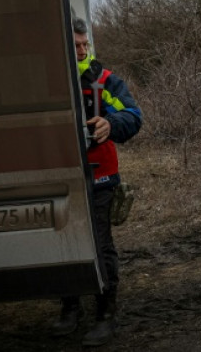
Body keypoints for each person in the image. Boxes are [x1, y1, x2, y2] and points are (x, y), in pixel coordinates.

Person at [52, 18, 142, 346]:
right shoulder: (47, 81)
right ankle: (70, 307)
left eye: (84, 44)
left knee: (101, 244)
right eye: (74, 45)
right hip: (60, 177)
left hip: (100, 175)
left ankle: (105, 313)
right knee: (64, 243)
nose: (81, 51)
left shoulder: (104, 80)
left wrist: (111, 122)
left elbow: (134, 116)